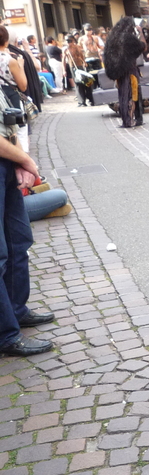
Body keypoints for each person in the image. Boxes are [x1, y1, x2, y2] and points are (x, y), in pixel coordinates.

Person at [0, 88, 54, 358]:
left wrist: (20, 160)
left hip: (6, 160)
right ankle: (5, 335)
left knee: (18, 241)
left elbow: (8, 122)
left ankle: (15, 311)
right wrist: (24, 159)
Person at [104, 17, 146, 128]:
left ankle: (128, 119)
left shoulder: (112, 38)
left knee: (123, 95)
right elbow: (143, 46)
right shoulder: (129, 38)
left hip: (119, 72)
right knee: (132, 95)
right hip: (130, 70)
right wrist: (140, 32)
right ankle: (130, 119)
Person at [64, 35, 94, 107]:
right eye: (67, 41)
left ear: (73, 41)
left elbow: (81, 56)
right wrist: (64, 70)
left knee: (86, 82)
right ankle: (81, 102)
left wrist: (84, 62)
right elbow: (63, 61)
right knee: (78, 83)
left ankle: (91, 99)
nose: (69, 43)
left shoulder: (77, 47)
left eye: (70, 41)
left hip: (80, 66)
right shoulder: (65, 49)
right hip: (73, 67)